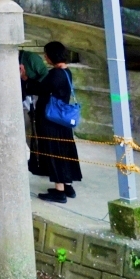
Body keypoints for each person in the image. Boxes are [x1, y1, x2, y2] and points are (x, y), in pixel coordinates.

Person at [28, 41, 82, 202]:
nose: (45, 57)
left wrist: (25, 79)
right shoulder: (66, 72)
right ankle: (67, 185)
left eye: (46, 54)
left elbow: (39, 89)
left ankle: (59, 191)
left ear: (52, 55)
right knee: (64, 151)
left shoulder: (55, 74)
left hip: (52, 120)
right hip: (61, 120)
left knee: (54, 152)